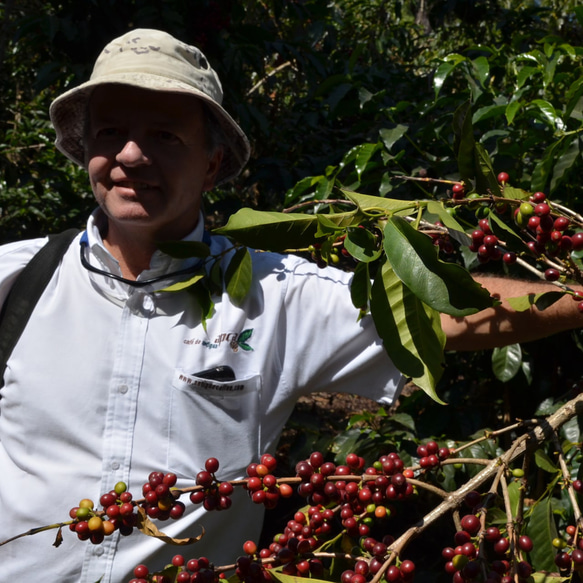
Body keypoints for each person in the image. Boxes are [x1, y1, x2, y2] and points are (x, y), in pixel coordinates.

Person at [0, 29, 580, 583]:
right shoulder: (18, 280)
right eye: (110, 134)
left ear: (213, 163)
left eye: (165, 136)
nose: (131, 155)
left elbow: (450, 313)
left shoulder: (272, 296)